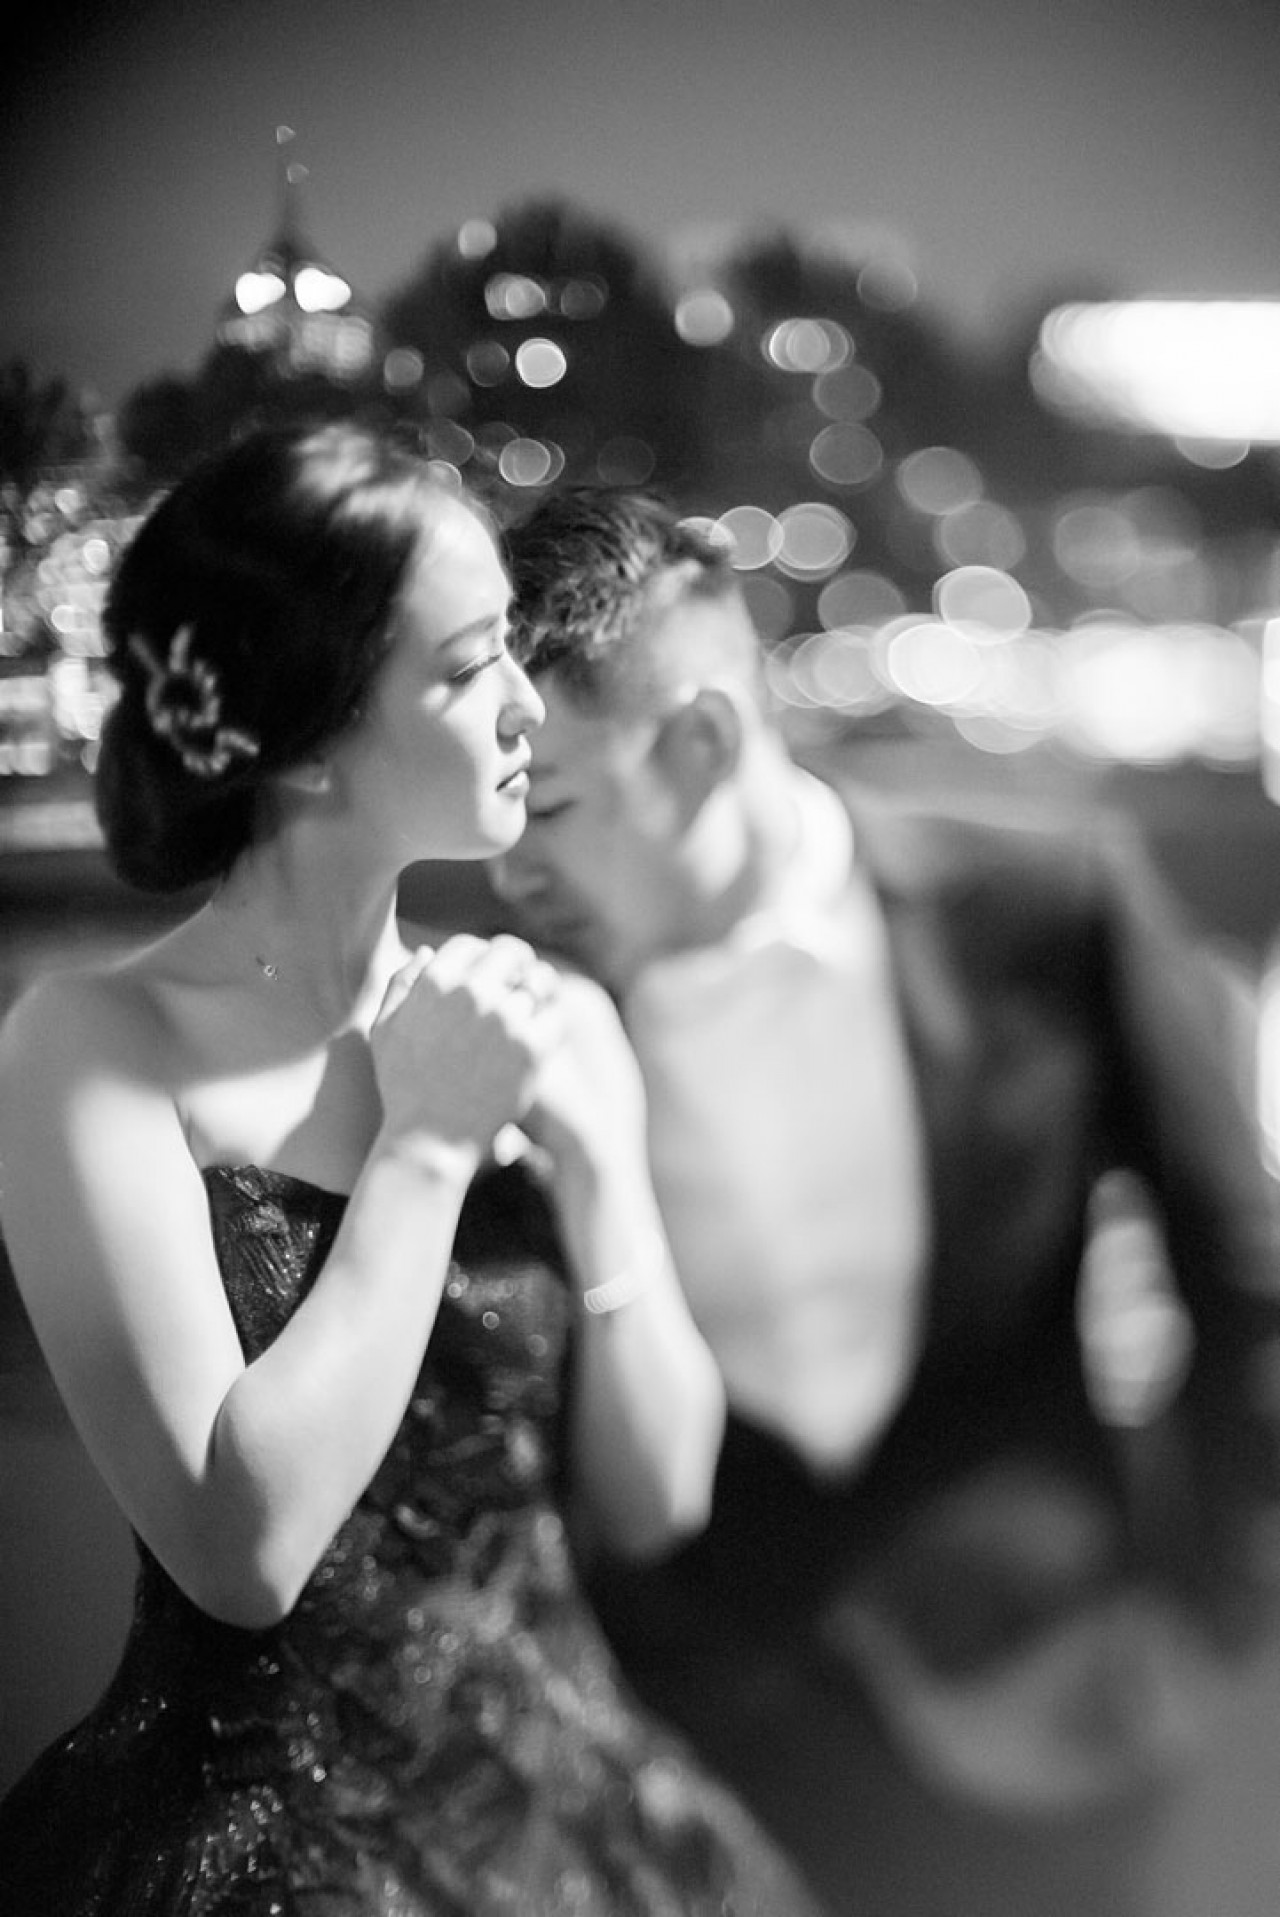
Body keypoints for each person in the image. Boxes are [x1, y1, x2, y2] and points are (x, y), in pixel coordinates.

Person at [0, 427, 823, 1917]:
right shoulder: (92, 1046)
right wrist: (428, 1145)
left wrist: (601, 1180)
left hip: (570, 1811)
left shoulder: (536, 1010)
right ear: (310, 736)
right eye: (464, 667)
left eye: (508, 645)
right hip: (275, 1848)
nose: (526, 704)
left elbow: (658, 1500)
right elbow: (241, 1554)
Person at [491, 484, 1280, 1917]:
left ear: (701, 742)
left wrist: (1219, 1618)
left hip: (1052, 1701)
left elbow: (1243, 1271)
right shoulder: (510, 1010)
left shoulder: (1048, 902)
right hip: (686, 1736)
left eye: (545, 806)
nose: (508, 867)